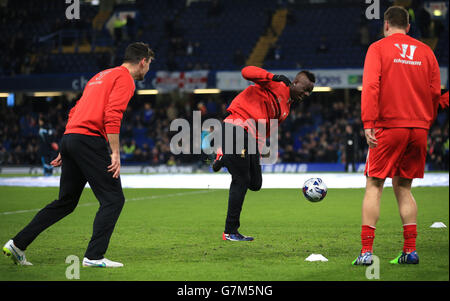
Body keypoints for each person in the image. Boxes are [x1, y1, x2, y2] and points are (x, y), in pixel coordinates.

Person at [2, 42, 155, 267]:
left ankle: (17, 244)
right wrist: (115, 152)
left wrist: (67, 144)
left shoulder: (100, 76)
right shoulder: (125, 79)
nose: (148, 69)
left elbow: (76, 108)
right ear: (142, 61)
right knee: (113, 199)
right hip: (89, 140)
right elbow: (112, 115)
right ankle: (94, 257)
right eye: (149, 64)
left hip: (73, 136)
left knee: (66, 202)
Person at [353, 6, 441, 266]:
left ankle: (367, 253)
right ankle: (410, 251)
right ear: (409, 27)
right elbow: (435, 92)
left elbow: (370, 86)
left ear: (386, 25)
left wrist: (368, 121)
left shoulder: (378, 48)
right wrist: (425, 121)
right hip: (418, 129)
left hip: (389, 126)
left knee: (374, 185)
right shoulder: (426, 52)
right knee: (403, 187)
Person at [212, 66, 315, 241]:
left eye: (309, 92)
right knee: (241, 180)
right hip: (236, 126)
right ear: (295, 82)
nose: (306, 94)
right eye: (305, 90)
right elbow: (245, 71)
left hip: (251, 137)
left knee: (255, 183)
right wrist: (272, 76)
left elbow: (265, 130)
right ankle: (230, 231)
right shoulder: (276, 84)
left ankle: (224, 156)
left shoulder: (286, 109)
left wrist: (257, 151)